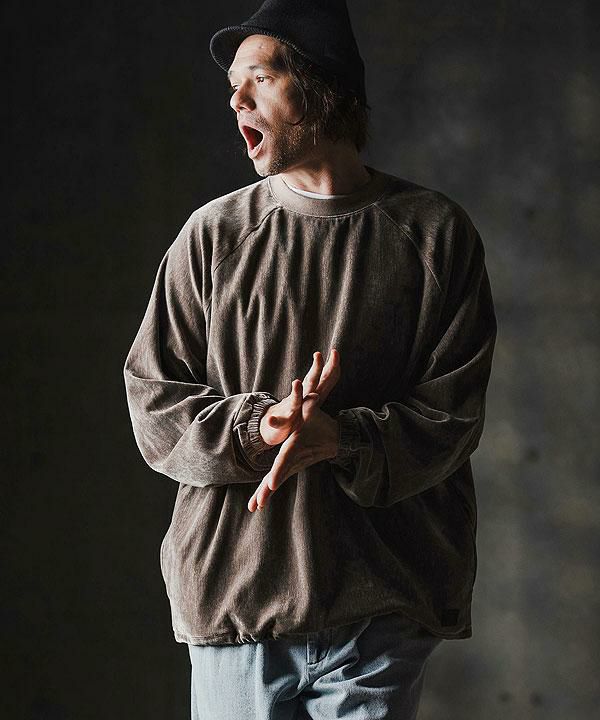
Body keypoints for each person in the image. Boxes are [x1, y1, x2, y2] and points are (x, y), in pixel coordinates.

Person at [122, 0, 498, 717]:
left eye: (260, 78)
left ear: (323, 86)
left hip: (381, 606)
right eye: (233, 85)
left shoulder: (435, 234)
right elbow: (153, 402)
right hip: (237, 605)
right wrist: (258, 428)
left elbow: (451, 418)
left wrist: (342, 437)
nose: (236, 99)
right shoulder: (211, 236)